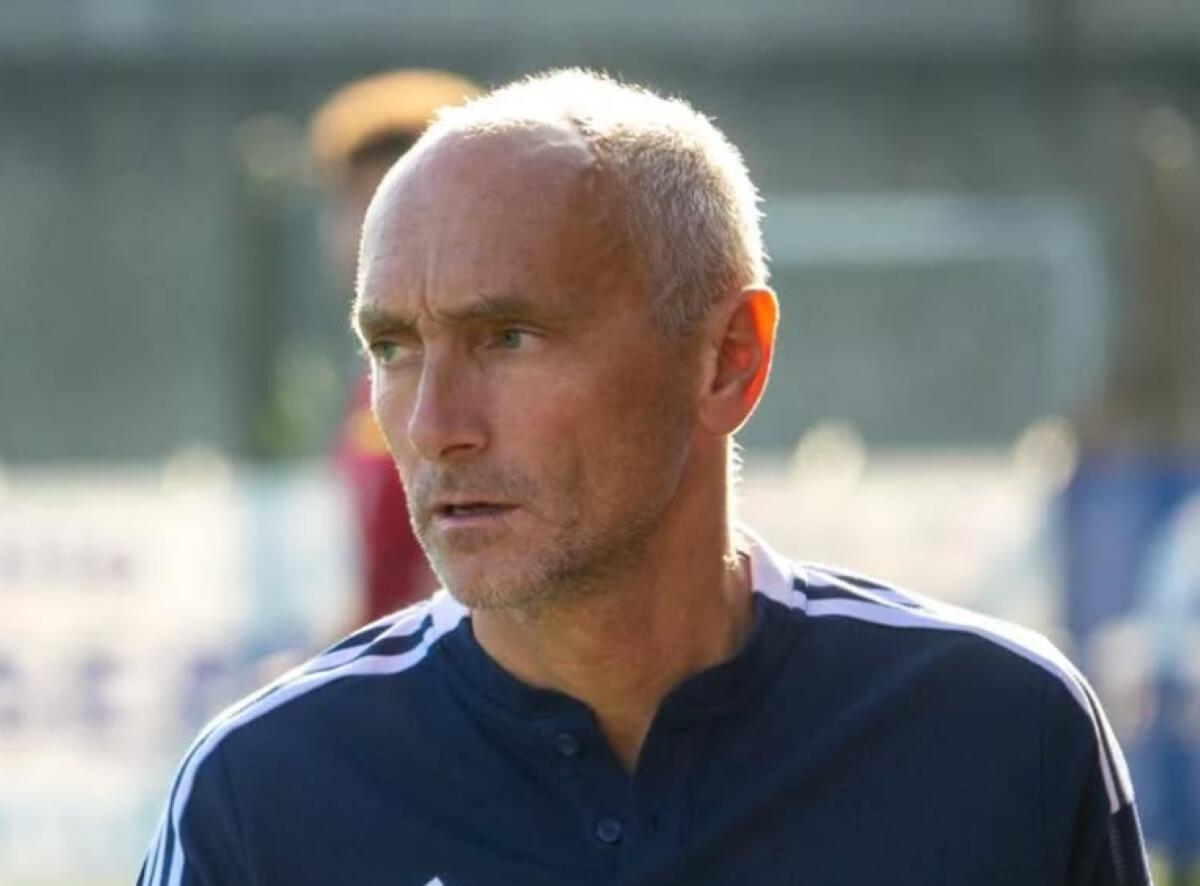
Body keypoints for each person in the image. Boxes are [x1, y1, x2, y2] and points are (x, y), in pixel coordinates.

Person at [138, 69, 1151, 886]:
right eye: (394, 348)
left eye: (510, 336)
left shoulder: (1002, 734)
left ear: (728, 360)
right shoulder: (262, 796)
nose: (434, 426)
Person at [310, 69, 479, 625]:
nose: (365, 232)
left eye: (389, 204)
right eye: (354, 203)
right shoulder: (381, 375)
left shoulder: (487, 377)